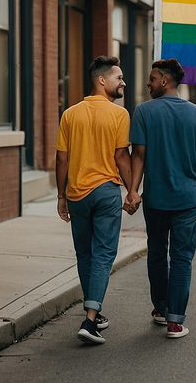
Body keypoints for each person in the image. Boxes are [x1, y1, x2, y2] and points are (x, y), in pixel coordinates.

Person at [124, 58, 196, 339]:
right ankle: (175, 321)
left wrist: (133, 190)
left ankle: (161, 309)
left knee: (158, 255)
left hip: (156, 200)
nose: (148, 84)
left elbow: (138, 155)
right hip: (187, 200)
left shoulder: (144, 112)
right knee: (182, 259)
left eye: (151, 79)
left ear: (164, 81)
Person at [55, 55, 136, 345]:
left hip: (76, 193)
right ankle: (90, 320)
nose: (123, 81)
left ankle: (95, 313)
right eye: (118, 77)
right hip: (105, 192)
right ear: (102, 80)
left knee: (85, 255)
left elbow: (61, 160)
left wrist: (61, 195)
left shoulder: (70, 114)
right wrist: (132, 190)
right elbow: (120, 157)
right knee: (103, 255)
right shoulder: (119, 114)